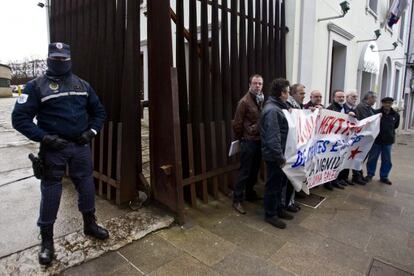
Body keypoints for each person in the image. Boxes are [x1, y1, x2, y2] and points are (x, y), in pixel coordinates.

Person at [12, 42, 109, 266]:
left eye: (63, 59)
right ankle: (47, 241)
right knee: (51, 192)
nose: (59, 63)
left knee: (86, 186)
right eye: (55, 59)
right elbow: (19, 119)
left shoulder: (83, 85)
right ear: (48, 59)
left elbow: (99, 112)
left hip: (80, 147)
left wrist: (91, 132)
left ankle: (89, 224)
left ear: (70, 60)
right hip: (54, 149)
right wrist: (44, 137)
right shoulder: (35, 87)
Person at [261, 78, 293, 229]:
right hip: (275, 156)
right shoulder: (273, 110)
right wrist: (280, 157)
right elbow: (273, 138)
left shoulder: (280, 106)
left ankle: (278, 209)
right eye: (287, 92)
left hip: (280, 154)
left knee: (280, 184)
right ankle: (270, 214)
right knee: (273, 185)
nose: (288, 94)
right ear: (281, 93)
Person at [232, 74, 265, 214]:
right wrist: (243, 137)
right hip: (248, 141)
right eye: (255, 83)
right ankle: (237, 200)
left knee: (254, 169)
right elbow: (237, 124)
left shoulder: (261, 99)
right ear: (249, 84)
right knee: (244, 171)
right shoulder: (244, 102)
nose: (258, 86)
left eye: (260, 83)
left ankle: (249, 193)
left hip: (259, 140)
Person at [365, 97, 400, 185]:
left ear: (391, 104)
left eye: (389, 103)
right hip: (377, 140)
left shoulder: (396, 115)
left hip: (388, 141)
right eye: (385, 103)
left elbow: (395, 126)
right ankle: (370, 174)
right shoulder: (376, 113)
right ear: (382, 103)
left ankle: (384, 176)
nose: (387, 105)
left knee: (387, 159)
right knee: (372, 158)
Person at [325, 89, 348, 190]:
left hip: (342, 139)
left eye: (343, 97)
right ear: (334, 98)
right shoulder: (330, 109)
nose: (341, 98)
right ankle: (328, 182)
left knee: (338, 161)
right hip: (332, 140)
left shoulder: (346, 108)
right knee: (331, 161)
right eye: (339, 97)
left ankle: (335, 180)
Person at [354, 91, 378, 185]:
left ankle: (359, 174)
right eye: (374, 98)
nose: (375, 100)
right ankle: (356, 176)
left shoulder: (368, 107)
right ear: (369, 98)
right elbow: (366, 120)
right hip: (362, 136)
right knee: (359, 156)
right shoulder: (362, 107)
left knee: (362, 157)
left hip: (366, 136)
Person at [336, 90, 358, 186]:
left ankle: (344, 177)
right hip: (341, 138)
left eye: (356, 97)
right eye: (353, 97)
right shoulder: (342, 108)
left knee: (347, 157)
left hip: (349, 137)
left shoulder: (355, 108)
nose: (355, 99)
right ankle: (339, 178)